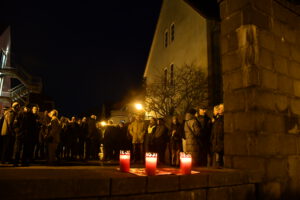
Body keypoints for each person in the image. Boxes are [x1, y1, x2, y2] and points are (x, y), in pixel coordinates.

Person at [211, 104, 224, 168]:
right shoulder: (217, 119)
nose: (219, 109)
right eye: (219, 108)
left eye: (221, 108)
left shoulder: (224, 119)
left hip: (221, 142)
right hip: (216, 141)